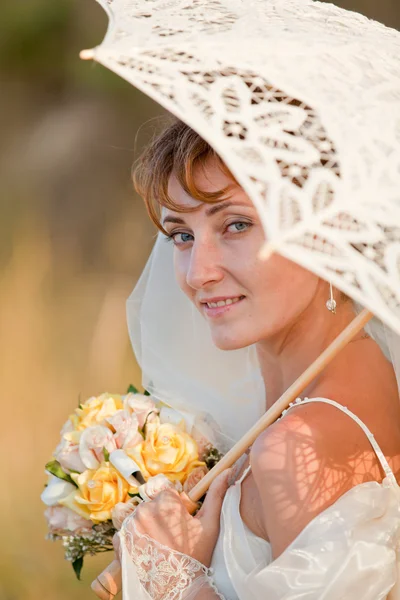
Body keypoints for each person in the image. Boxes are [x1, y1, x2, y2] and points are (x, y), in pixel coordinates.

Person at [112, 119, 400, 600]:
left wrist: (175, 578)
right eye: (181, 235)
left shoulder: (295, 448)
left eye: (236, 225)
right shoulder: (359, 380)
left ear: (327, 233)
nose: (198, 273)